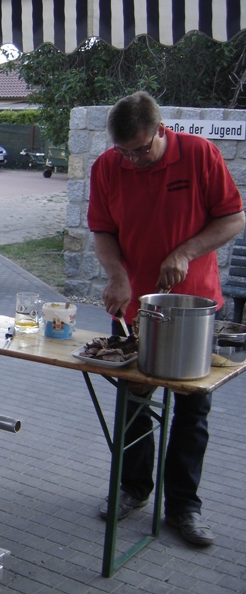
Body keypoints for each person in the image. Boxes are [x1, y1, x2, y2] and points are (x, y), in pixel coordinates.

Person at [88, 91, 245, 546]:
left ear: (161, 130)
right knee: (133, 405)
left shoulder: (199, 155)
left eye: (141, 149)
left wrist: (186, 251)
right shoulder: (106, 167)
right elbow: (102, 230)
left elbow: (234, 218)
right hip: (134, 307)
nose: (133, 160)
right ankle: (133, 488)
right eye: (124, 151)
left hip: (193, 307)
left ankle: (184, 507)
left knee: (192, 411)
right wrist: (118, 275)